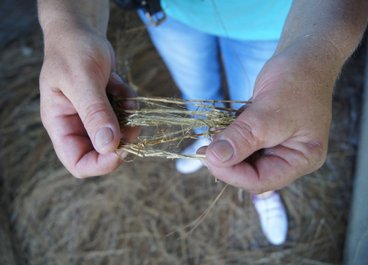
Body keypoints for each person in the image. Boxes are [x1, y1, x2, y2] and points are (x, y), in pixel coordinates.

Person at [37, 0, 368, 246]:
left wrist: (315, 59)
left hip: (282, 23)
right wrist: (66, 23)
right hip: (169, 14)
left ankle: (263, 192)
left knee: (260, 122)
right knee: (197, 94)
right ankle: (204, 138)